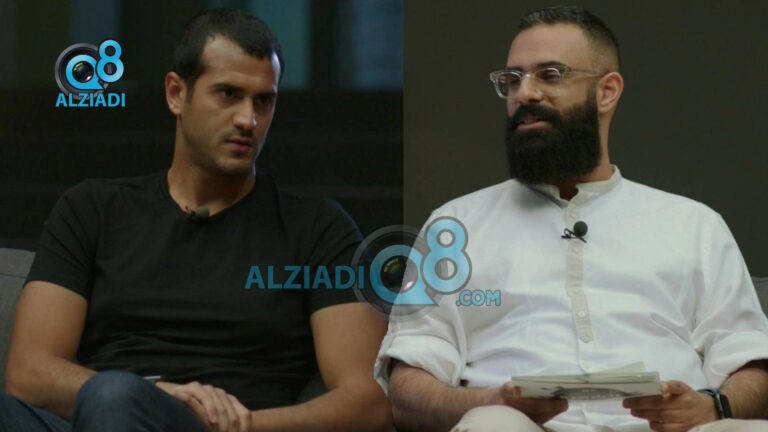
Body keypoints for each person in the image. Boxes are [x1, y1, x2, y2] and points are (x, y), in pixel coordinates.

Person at [375, 6, 768, 432]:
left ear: (607, 91)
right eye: (513, 80)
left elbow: (751, 362)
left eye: (550, 75)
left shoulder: (694, 226)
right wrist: (489, 401)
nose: (525, 94)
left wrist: (714, 406)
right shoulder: (455, 227)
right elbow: (407, 386)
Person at [1, 8, 390, 432]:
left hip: (239, 425)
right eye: (228, 94)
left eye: (264, 101)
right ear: (176, 93)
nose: (248, 120)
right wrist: (160, 395)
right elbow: (28, 373)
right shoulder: (92, 209)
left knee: (114, 397)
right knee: (110, 398)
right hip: (103, 414)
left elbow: (366, 402)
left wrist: (236, 425)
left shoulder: (317, 229)